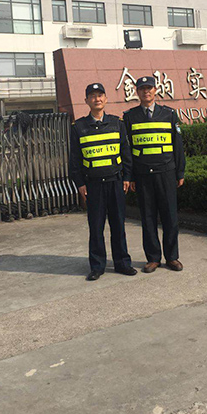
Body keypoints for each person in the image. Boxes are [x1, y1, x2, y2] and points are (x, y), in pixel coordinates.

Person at [69, 83, 137, 281]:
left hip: (116, 183)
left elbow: (126, 153)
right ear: (86, 101)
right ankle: (97, 266)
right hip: (93, 185)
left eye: (100, 95)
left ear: (106, 99)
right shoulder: (79, 127)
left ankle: (122, 263)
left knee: (118, 226)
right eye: (92, 96)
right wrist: (80, 184)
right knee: (96, 227)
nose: (97, 99)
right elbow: (74, 160)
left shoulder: (117, 124)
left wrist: (127, 177)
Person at [123, 76, 185, 273]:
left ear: (156, 90)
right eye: (142, 88)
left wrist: (180, 171)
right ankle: (153, 258)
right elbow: (127, 150)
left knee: (170, 217)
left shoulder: (168, 114)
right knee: (148, 218)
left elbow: (177, 145)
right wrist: (131, 176)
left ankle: (172, 257)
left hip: (166, 172)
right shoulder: (130, 117)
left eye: (149, 88)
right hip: (143, 175)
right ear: (137, 92)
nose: (146, 91)